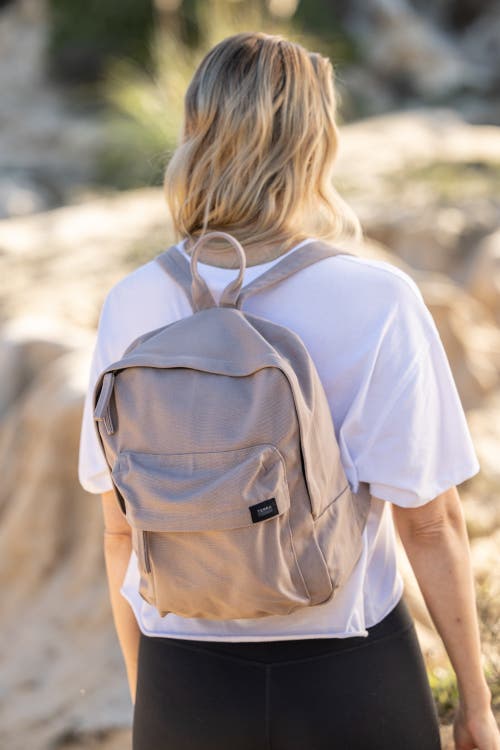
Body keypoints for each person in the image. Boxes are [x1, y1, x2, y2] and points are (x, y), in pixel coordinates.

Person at [78, 31, 500, 750]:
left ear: (195, 133)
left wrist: (151, 695)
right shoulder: (376, 298)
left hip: (187, 679)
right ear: (317, 142)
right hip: (350, 670)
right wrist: (475, 707)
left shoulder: (135, 301)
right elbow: (430, 524)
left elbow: (121, 530)